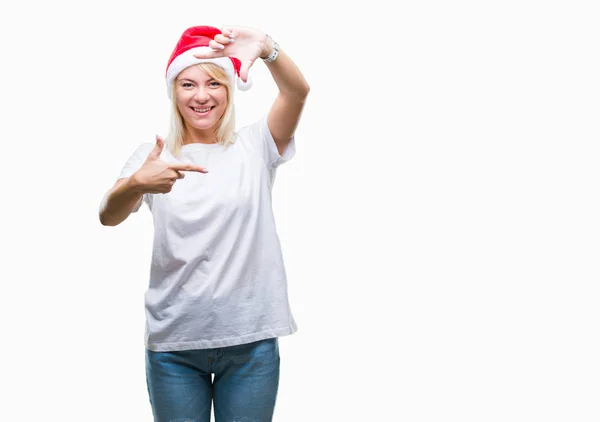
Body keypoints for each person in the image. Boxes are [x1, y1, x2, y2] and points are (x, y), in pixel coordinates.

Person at [98, 24, 309, 422]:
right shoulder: (152, 156)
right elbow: (108, 215)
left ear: (229, 90)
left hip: (250, 340)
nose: (201, 96)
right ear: (173, 92)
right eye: (188, 84)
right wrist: (136, 184)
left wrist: (267, 49)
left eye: (213, 83)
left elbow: (297, 93)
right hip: (174, 346)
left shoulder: (255, 145)